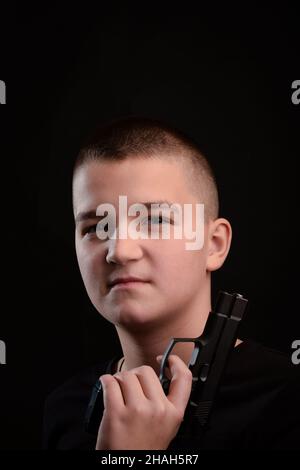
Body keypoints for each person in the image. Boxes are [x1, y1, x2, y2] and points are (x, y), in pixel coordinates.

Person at [43, 116, 300, 450]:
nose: (119, 251)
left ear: (214, 244)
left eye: (155, 220)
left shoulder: (287, 403)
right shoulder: (65, 409)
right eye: (96, 227)